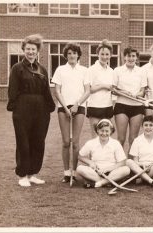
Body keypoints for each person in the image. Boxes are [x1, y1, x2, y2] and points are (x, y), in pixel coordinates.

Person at [7, 34, 55, 187]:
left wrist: (50, 106)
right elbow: (12, 90)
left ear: (38, 50)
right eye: (28, 49)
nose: (30, 52)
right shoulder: (17, 68)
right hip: (22, 108)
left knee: (38, 141)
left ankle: (33, 173)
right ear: (23, 50)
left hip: (41, 109)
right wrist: (15, 107)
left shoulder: (42, 69)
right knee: (23, 141)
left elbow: (46, 89)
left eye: (33, 49)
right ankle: (22, 175)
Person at [53, 43, 90, 183]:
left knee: (75, 142)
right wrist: (66, 108)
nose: (72, 55)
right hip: (63, 107)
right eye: (69, 53)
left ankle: (74, 172)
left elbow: (87, 91)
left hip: (79, 107)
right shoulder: (60, 70)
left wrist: (77, 105)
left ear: (78, 55)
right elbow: (57, 91)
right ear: (66, 55)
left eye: (74, 53)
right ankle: (66, 172)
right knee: (65, 142)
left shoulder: (84, 70)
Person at [76, 119, 130, 188]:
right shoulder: (91, 143)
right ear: (97, 130)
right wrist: (90, 162)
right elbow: (80, 156)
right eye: (102, 130)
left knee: (126, 169)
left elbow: (122, 162)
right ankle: (107, 182)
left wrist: (108, 169)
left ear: (111, 131)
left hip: (111, 172)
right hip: (96, 172)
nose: (104, 133)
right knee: (79, 169)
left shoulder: (115, 143)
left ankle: (101, 183)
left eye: (107, 131)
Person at [113, 47, 146, 149]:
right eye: (128, 56)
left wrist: (137, 95)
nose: (131, 58)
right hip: (121, 106)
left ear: (136, 58)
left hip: (137, 106)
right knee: (121, 139)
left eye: (133, 56)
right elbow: (114, 89)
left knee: (133, 139)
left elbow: (142, 91)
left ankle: (130, 163)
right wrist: (125, 93)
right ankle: (120, 163)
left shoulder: (142, 71)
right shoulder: (118, 70)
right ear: (124, 57)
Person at [126, 115, 153, 188]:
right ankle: (150, 180)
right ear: (142, 127)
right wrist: (143, 164)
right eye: (146, 125)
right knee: (128, 161)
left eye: (151, 125)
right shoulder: (137, 140)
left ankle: (142, 179)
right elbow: (135, 161)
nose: (148, 127)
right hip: (141, 167)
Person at [87, 39, 114, 137]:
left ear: (110, 55)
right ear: (97, 54)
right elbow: (88, 90)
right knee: (95, 138)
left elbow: (113, 89)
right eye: (102, 54)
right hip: (94, 107)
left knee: (106, 137)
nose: (104, 57)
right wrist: (103, 86)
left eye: (107, 54)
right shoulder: (91, 70)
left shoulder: (111, 71)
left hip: (107, 106)